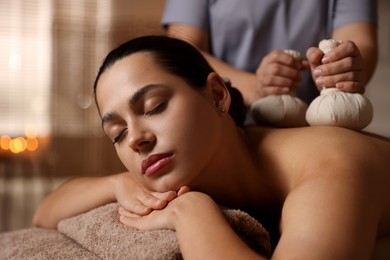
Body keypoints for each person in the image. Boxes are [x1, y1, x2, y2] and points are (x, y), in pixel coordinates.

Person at [33, 36, 390, 259]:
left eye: (155, 107)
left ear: (217, 95)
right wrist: (116, 184)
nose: (137, 138)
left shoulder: (330, 166)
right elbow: (46, 212)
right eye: (117, 133)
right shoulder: (174, 157)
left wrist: (192, 212)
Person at [161, 0, 378, 105]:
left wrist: (341, 68)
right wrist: (255, 87)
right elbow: (183, 49)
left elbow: (359, 39)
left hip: (309, 123)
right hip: (229, 117)